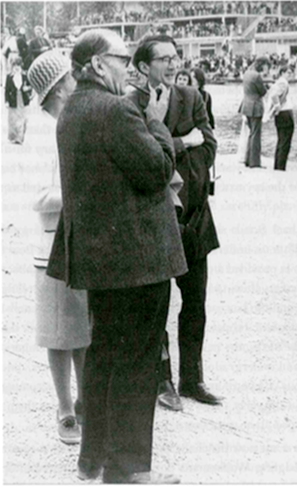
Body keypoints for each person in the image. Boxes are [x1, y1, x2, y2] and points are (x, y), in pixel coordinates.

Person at [46, 29, 187, 484]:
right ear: (98, 64)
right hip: (139, 261)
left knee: (105, 356)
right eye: (122, 59)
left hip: (101, 262)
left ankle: (94, 461)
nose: (129, 67)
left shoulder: (71, 112)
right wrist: (158, 120)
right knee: (137, 364)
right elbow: (157, 169)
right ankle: (128, 470)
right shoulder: (119, 109)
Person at [128, 34, 220, 412]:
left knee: (195, 300)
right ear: (144, 67)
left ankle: (192, 378)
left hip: (194, 217)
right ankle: (161, 378)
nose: (172, 64)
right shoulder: (131, 103)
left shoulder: (193, 97)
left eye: (175, 57)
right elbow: (145, 159)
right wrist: (182, 142)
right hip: (154, 220)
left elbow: (211, 145)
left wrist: (183, 147)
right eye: (163, 59)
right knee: (156, 303)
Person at [27, 49, 91, 445]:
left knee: (82, 329)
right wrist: (80, 194)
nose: (76, 83)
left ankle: (86, 402)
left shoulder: (76, 122)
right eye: (70, 78)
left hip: (81, 240)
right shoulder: (40, 132)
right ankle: (65, 407)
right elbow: (38, 197)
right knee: (57, 333)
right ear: (56, 88)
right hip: (51, 246)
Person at [240, 56, 270, 168]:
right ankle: (255, 162)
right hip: (255, 107)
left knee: (251, 134)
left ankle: (248, 160)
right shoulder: (257, 76)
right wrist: (267, 87)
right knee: (256, 135)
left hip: (246, 105)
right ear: (262, 65)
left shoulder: (247, 73)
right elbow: (262, 92)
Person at [265, 64, 294, 171]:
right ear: (282, 73)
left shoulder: (279, 82)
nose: (290, 75)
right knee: (285, 141)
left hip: (281, 114)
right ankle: (281, 167)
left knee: (281, 140)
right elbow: (274, 95)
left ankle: (278, 166)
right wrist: (277, 106)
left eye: (291, 73)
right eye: (288, 72)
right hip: (285, 113)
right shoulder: (283, 82)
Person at [5, 56, 31, 144]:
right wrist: (6, 101)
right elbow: (7, 90)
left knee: (23, 118)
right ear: (12, 67)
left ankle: (20, 138)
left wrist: (26, 89)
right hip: (13, 99)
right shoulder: (9, 77)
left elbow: (30, 87)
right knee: (13, 119)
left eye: (18, 66)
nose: (17, 68)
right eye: (15, 66)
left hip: (23, 99)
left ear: (21, 66)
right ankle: (13, 137)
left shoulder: (25, 76)